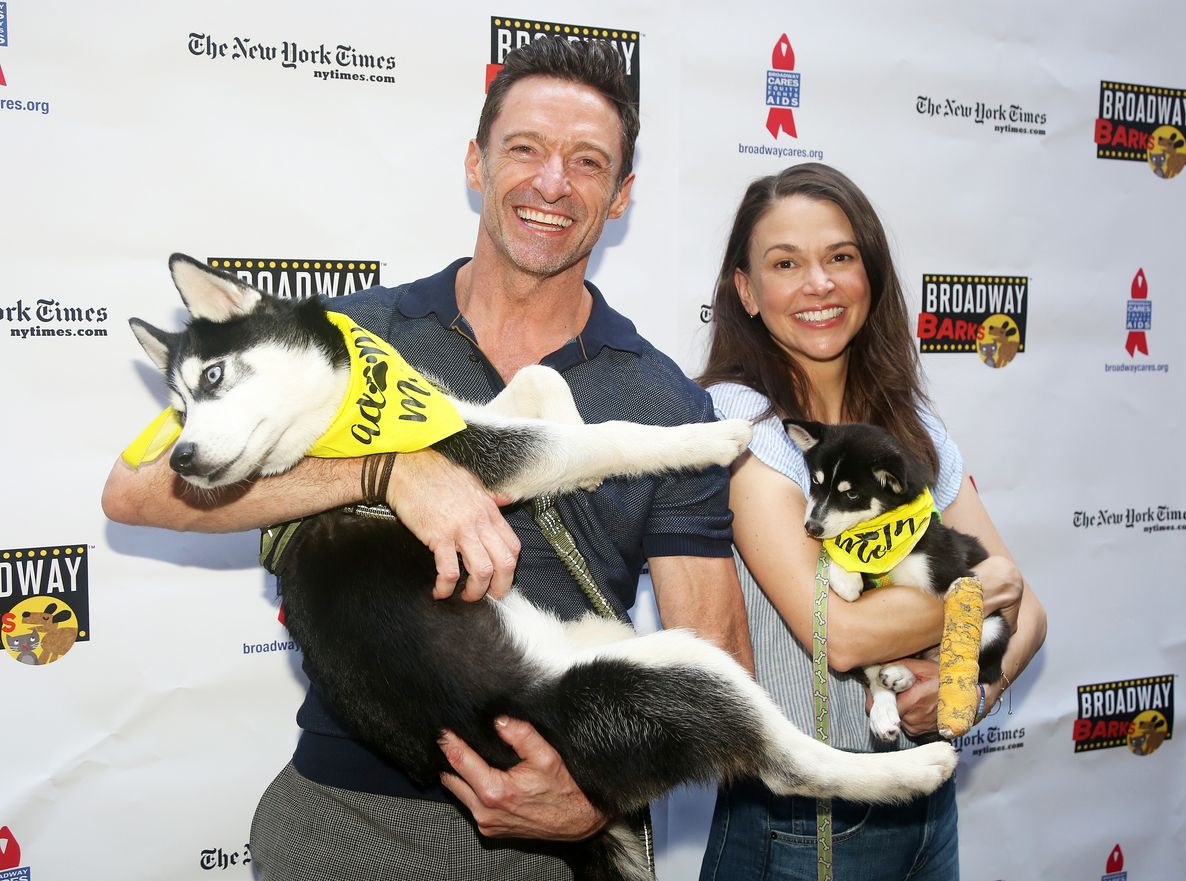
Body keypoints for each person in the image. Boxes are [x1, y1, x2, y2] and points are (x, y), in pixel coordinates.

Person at [102, 38, 751, 880]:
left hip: (554, 841)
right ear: (476, 165)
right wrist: (387, 471)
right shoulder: (349, 339)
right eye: (525, 149)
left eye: (586, 162)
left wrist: (596, 795)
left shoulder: (666, 401)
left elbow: (719, 658)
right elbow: (137, 489)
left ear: (621, 196)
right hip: (342, 825)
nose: (552, 183)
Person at [696, 163, 1047, 881]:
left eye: (840, 257)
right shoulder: (737, 422)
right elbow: (840, 629)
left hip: (928, 796)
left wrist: (969, 691)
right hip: (809, 809)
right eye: (785, 263)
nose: (817, 284)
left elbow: (1031, 611)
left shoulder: (910, 430)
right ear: (746, 292)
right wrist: (982, 590)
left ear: (871, 275)